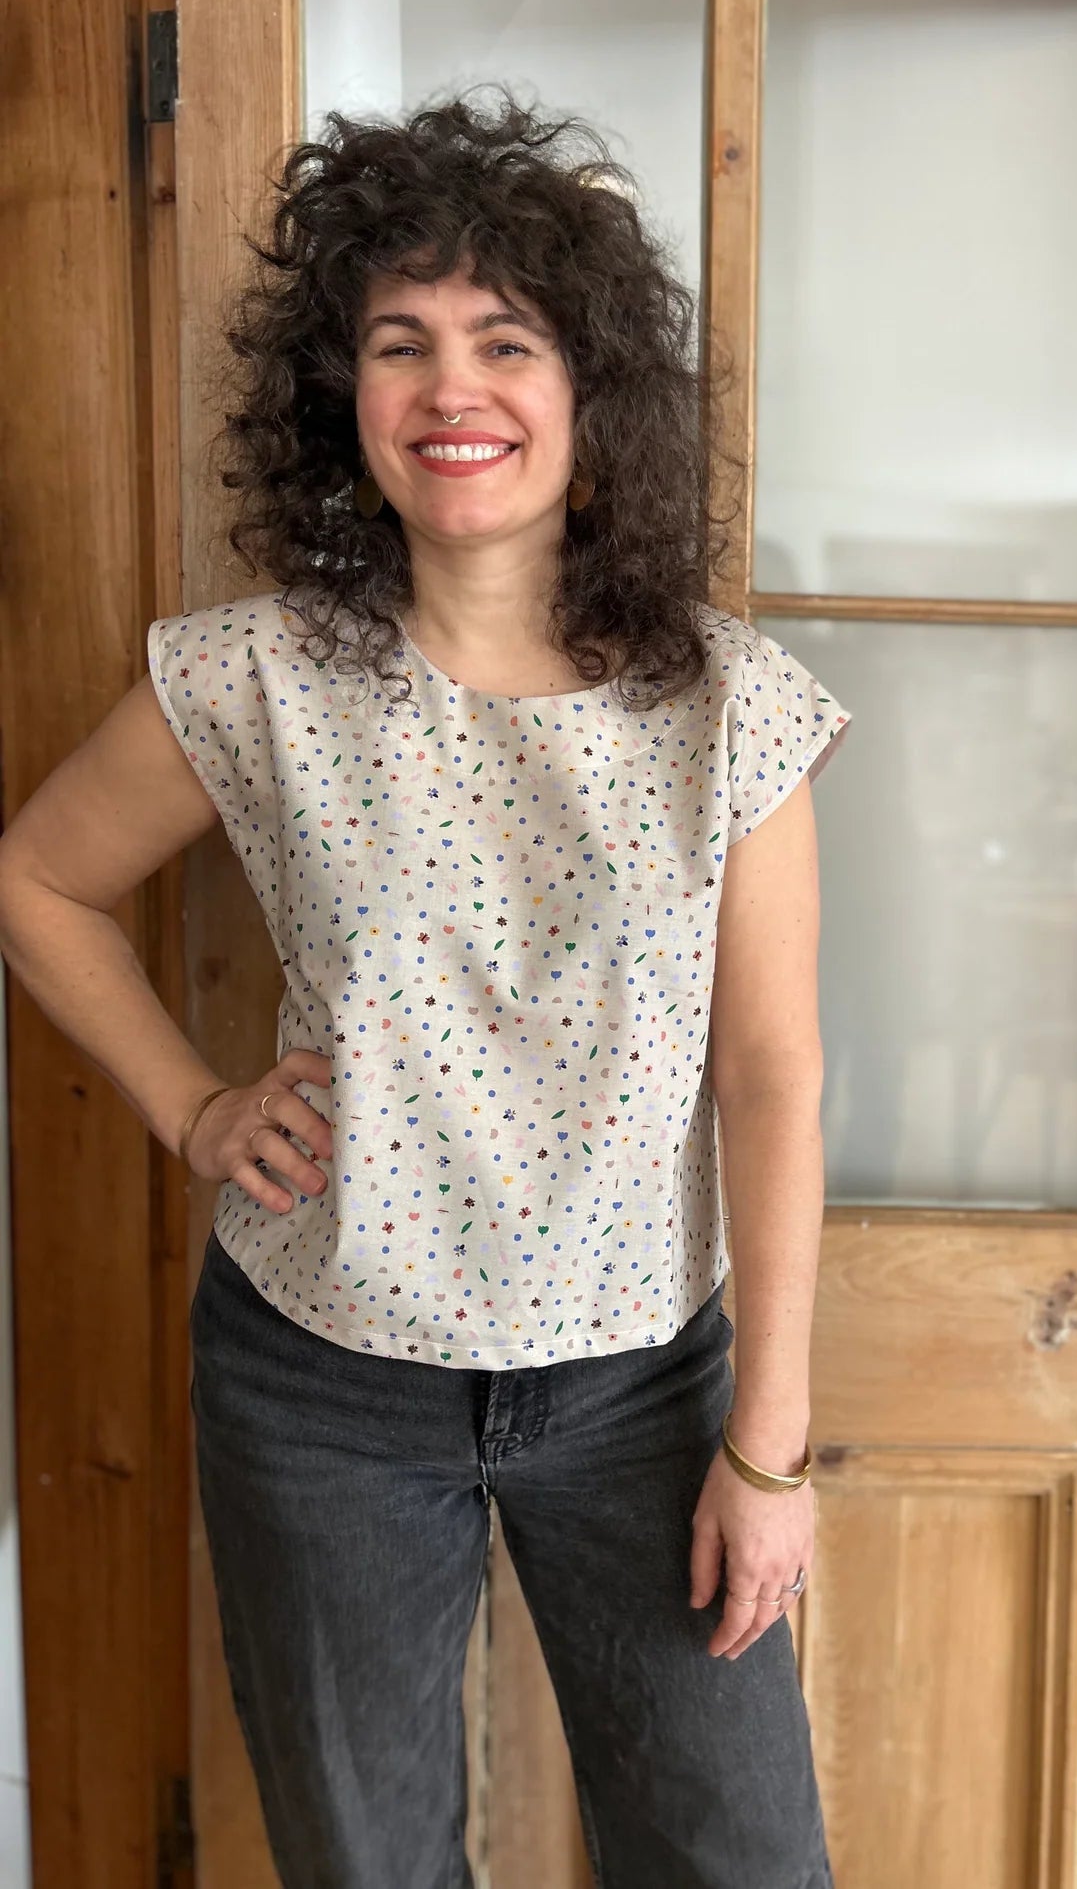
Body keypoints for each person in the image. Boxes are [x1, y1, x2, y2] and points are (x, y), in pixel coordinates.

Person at [0, 91, 852, 1889]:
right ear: (344, 396)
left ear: (590, 393)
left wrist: (768, 1451)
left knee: (739, 1861)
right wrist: (194, 1107)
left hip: (642, 1385)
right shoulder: (255, 674)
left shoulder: (729, 705)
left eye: (504, 341)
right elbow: (39, 879)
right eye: (399, 343)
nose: (450, 387)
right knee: (368, 1867)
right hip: (321, 1384)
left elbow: (772, 1074)